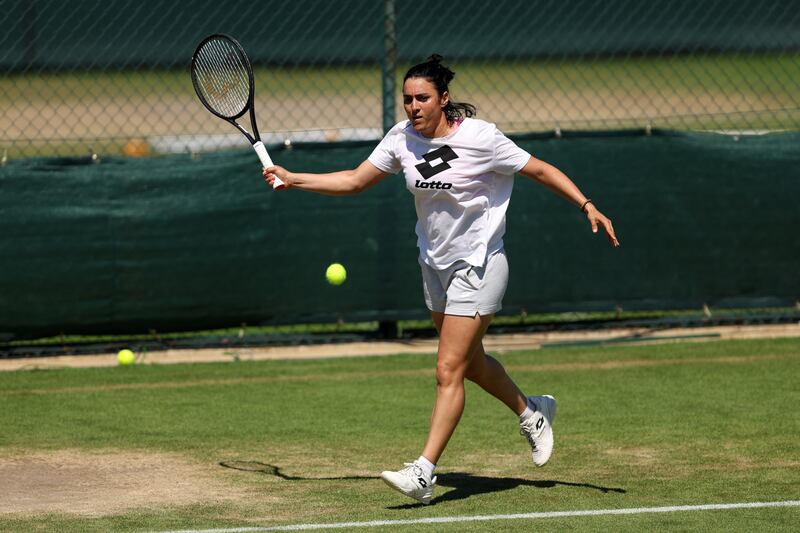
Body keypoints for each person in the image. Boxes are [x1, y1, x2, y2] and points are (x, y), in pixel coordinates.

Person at [263, 54, 619, 505]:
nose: (413, 107)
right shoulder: (401, 139)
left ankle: (423, 473)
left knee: (447, 369)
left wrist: (586, 204)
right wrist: (293, 178)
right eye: (408, 99)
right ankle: (533, 411)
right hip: (433, 263)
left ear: (443, 99)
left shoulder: (481, 138)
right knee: (469, 364)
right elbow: (354, 181)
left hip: (480, 264)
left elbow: (540, 169)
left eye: (423, 98)